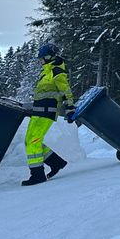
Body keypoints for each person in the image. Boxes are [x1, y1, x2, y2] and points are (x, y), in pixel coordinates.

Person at [23, 43, 74, 186]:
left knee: (33, 141)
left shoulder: (57, 71)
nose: (40, 61)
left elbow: (66, 91)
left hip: (47, 111)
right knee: (29, 140)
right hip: (39, 111)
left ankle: (37, 175)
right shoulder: (46, 71)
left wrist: (70, 107)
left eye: (41, 58)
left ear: (48, 57)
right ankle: (56, 163)